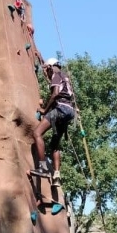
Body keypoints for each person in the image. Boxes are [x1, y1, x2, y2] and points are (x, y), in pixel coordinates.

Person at [31, 58, 75, 186]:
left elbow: (55, 94)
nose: (46, 72)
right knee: (55, 145)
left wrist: (45, 110)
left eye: (46, 69)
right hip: (69, 112)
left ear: (51, 67)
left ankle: (43, 167)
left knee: (37, 133)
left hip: (60, 109)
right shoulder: (64, 76)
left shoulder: (56, 74)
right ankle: (56, 176)